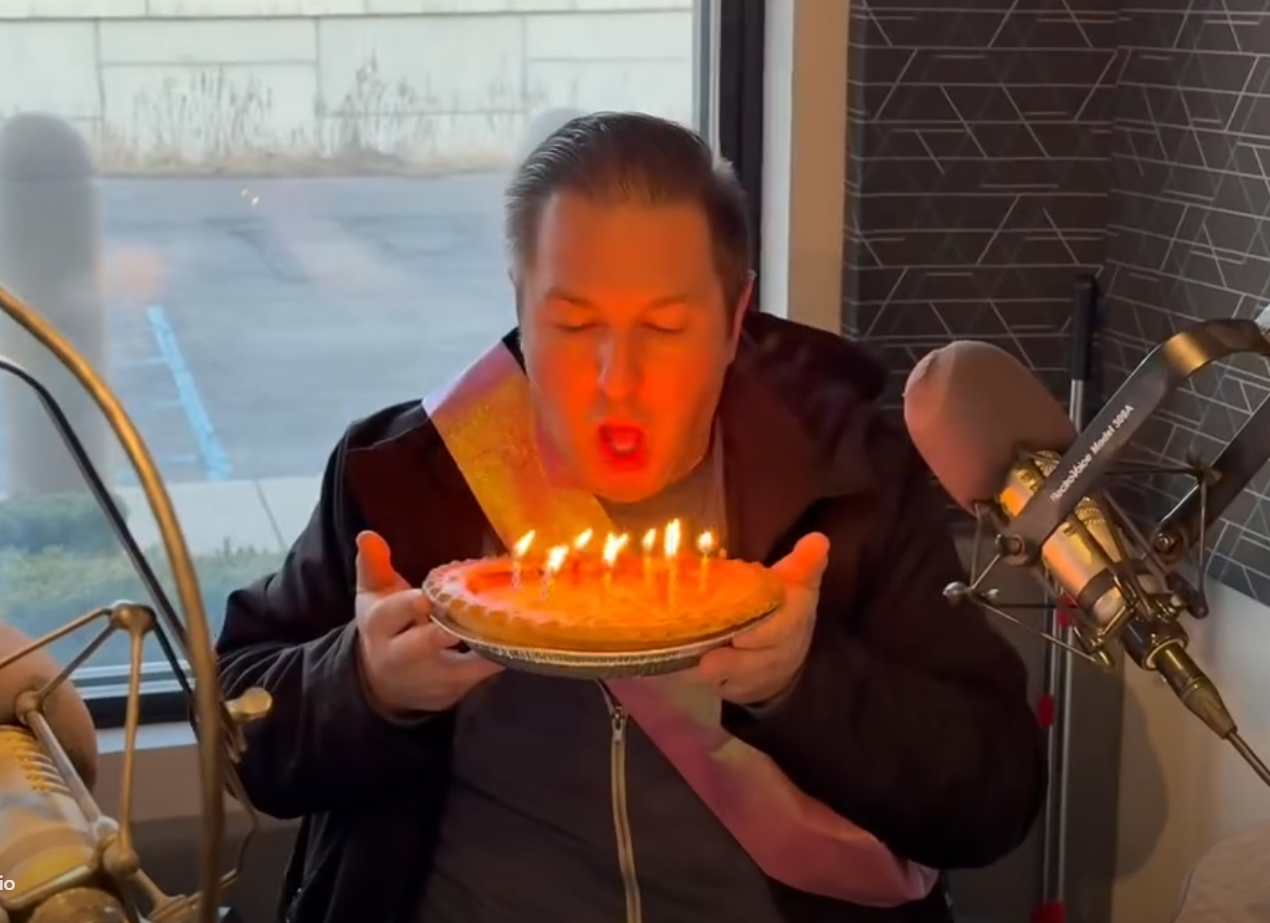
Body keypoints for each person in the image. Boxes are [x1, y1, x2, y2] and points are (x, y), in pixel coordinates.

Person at [216, 111, 1046, 923]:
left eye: (665, 326)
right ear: (520, 304)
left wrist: (803, 683)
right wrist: (364, 683)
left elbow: (993, 800)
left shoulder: (850, 479)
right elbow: (238, 729)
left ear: (734, 319)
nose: (618, 378)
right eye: (575, 324)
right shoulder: (407, 476)